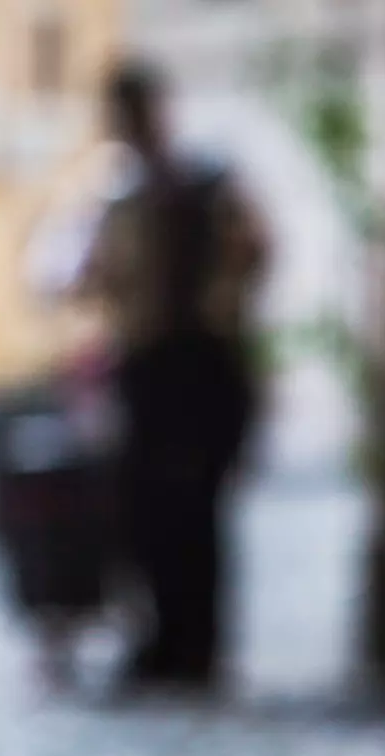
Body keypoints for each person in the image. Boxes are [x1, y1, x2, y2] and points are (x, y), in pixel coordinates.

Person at [80, 60, 268, 691]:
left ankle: (198, 646)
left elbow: (255, 250)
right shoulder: (122, 194)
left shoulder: (207, 182)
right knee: (146, 513)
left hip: (202, 366)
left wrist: (221, 300)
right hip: (150, 369)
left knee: (197, 511)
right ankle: (163, 640)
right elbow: (96, 275)